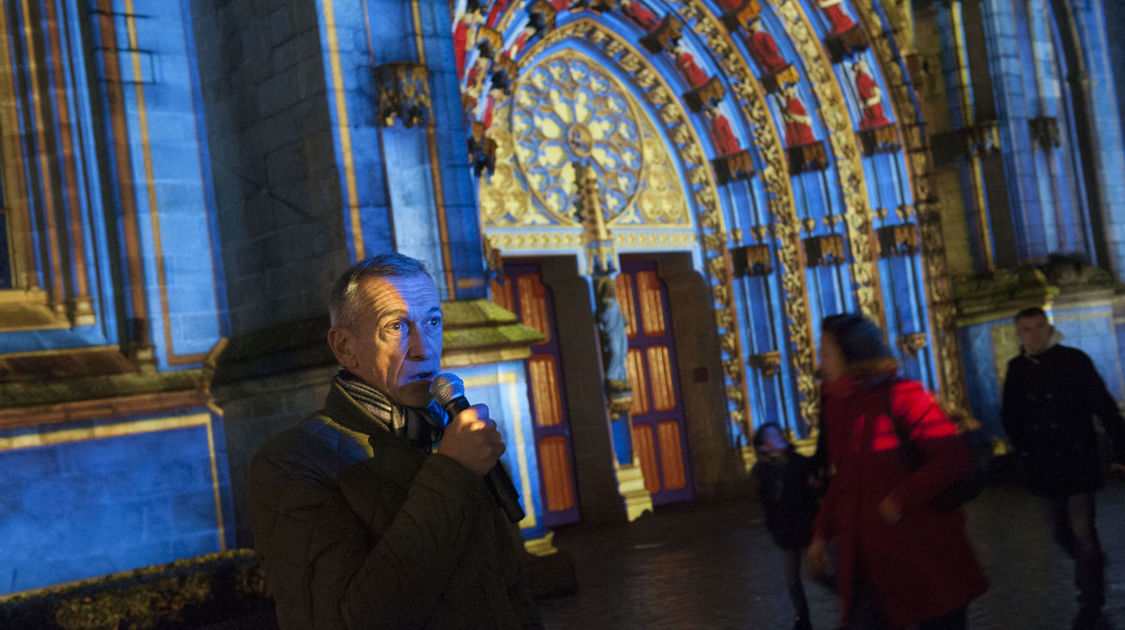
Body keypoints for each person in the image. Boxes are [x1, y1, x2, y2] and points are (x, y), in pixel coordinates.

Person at [249, 253, 542, 630]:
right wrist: (452, 472)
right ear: (345, 347)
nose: (424, 348)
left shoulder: (448, 434)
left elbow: (509, 588)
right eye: (397, 326)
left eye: (433, 322)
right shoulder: (291, 463)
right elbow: (346, 619)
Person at [807, 313, 988, 630]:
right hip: (869, 560)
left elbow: (951, 457)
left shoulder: (903, 395)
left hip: (924, 553)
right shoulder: (837, 406)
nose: (820, 361)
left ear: (853, 354)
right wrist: (822, 532)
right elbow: (845, 477)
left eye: (826, 352)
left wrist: (899, 499)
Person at [1001, 306, 1125, 630]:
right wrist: (1023, 450)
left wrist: (1119, 446)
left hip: (1078, 457)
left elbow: (1102, 403)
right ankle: (1092, 566)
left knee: (1083, 531)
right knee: (1059, 530)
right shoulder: (1016, 368)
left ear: (1048, 328)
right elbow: (1010, 414)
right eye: (1026, 329)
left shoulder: (1074, 360)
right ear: (1018, 334)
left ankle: (1090, 600)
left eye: (1039, 327)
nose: (1034, 335)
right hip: (1043, 463)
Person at [752, 422, 821, 630]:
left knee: (818, 571)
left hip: (805, 524)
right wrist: (774, 528)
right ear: (764, 447)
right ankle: (803, 619)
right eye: (772, 436)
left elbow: (812, 486)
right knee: (792, 577)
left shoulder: (797, 462)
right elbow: (768, 504)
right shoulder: (763, 472)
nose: (779, 436)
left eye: (778, 433)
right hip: (787, 530)